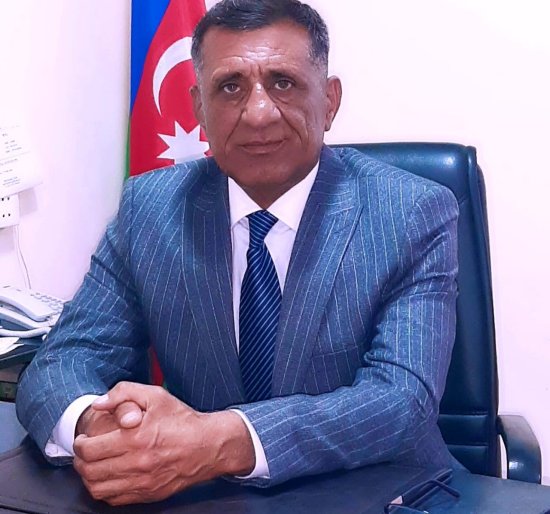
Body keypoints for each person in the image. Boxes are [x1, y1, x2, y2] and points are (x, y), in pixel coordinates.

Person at [16, 0, 459, 506]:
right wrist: (101, 429)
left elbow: (401, 400)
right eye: (230, 87)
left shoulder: (409, 211)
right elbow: (66, 358)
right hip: (206, 498)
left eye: (283, 83)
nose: (258, 113)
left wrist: (222, 441)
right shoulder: (150, 208)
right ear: (199, 108)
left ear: (330, 100)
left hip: (375, 491)